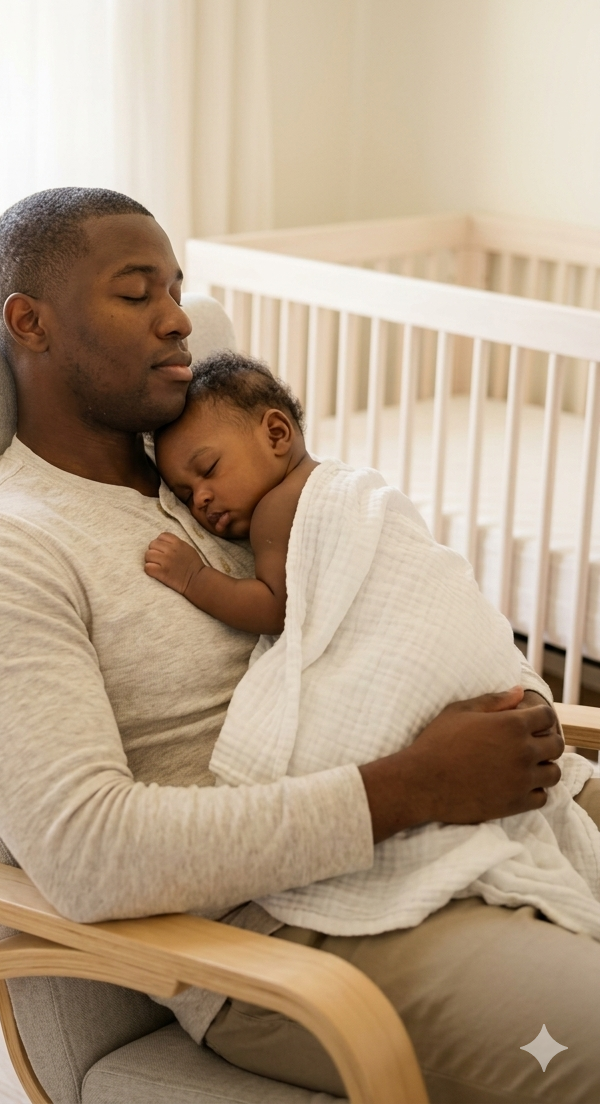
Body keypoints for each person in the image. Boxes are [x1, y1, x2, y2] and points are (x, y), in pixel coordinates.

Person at [0, 187, 600, 1103]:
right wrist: (420, 784)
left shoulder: (223, 481)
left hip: (461, 833)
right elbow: (87, 851)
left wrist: (502, 710)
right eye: (136, 293)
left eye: (176, 288)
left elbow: (384, 610)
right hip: (286, 939)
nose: (176, 319)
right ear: (31, 323)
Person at [146, 349, 600, 944]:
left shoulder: (278, 512)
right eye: (184, 494)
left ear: (277, 434)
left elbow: (277, 608)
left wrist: (195, 579)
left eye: (207, 470)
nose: (199, 500)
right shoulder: (346, 483)